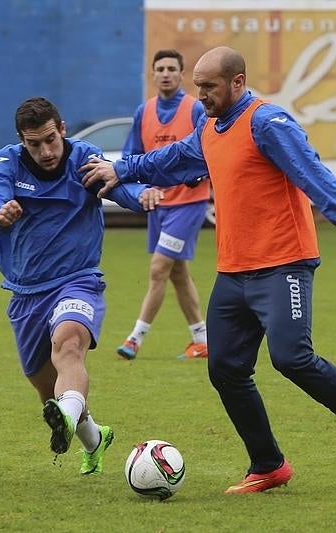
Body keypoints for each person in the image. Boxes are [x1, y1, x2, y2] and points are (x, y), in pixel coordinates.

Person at [79, 46, 336, 493]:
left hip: (284, 264)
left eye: (208, 87)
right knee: (225, 369)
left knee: (292, 358)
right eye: (198, 87)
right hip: (234, 271)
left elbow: (313, 173)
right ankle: (268, 464)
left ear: (237, 82)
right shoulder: (209, 127)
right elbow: (171, 162)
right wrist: (122, 168)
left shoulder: (268, 123)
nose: (202, 96)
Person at [0, 97, 161, 474]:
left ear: (62, 129)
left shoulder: (83, 158)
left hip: (78, 281)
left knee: (70, 346)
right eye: (34, 143)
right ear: (21, 140)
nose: (45, 151)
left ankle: (70, 415)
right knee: (49, 392)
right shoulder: (7, 162)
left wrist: (139, 196)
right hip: (26, 291)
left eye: (50, 139)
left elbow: (113, 187)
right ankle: (94, 438)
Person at [116, 49, 211, 361]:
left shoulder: (196, 109)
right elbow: (130, 159)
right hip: (158, 205)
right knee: (177, 273)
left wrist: (197, 176)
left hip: (188, 206)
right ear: (153, 75)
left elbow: (210, 151)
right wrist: (142, 188)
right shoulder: (144, 111)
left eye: (172, 68)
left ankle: (135, 338)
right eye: (161, 68)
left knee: (158, 268)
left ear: (181, 74)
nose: (166, 73)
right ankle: (202, 339)